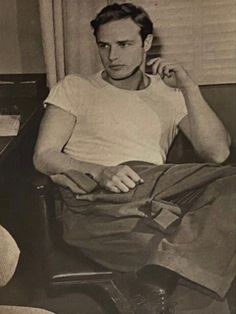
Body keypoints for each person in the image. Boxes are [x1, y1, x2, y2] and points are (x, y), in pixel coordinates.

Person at [33, 3, 236, 314]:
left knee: (229, 187)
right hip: (94, 201)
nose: (113, 56)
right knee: (199, 270)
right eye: (104, 45)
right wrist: (100, 171)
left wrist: (189, 87)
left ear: (147, 43)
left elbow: (218, 153)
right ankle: (175, 268)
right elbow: (44, 156)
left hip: (155, 189)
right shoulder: (75, 87)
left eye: (124, 45)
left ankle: (170, 268)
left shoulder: (167, 92)